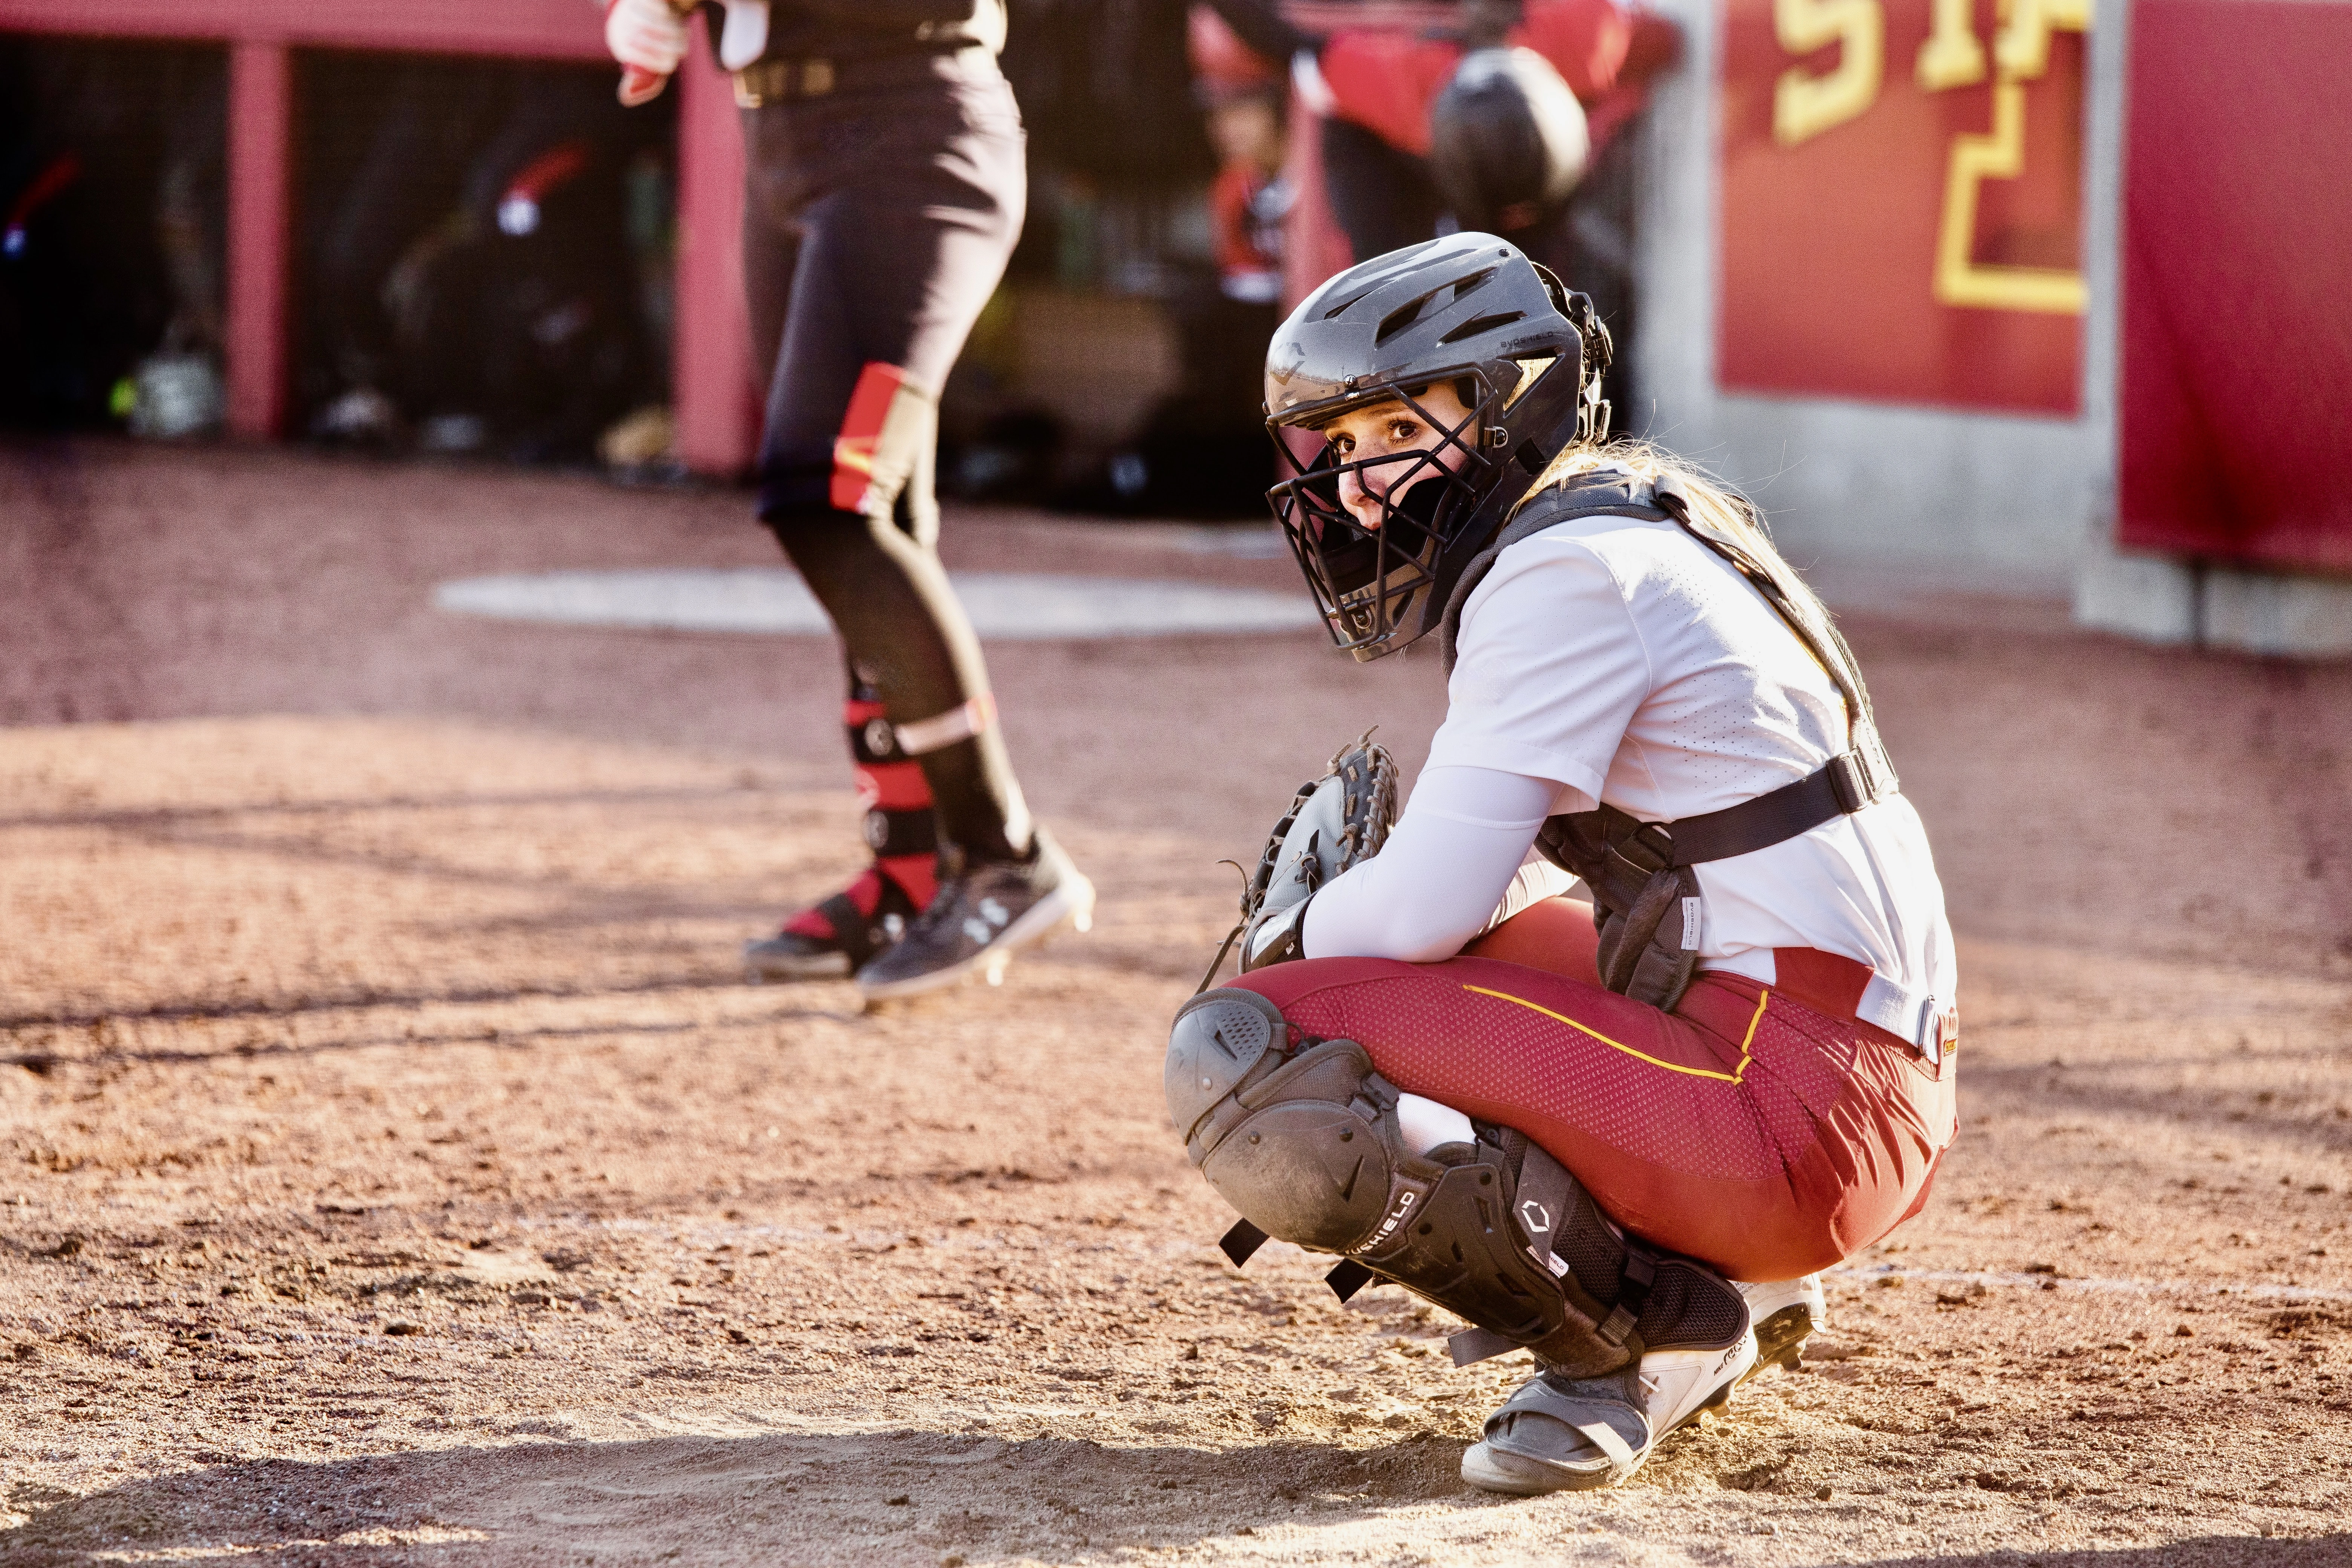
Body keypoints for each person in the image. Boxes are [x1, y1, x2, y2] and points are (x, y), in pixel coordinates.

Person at [1166, 234, 1957, 1493]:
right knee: (1444, 956)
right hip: (1832, 1065)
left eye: (1390, 431)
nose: (1361, 488)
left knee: (1249, 1048)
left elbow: (1420, 908)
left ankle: (1642, 1332)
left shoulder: (1564, 569)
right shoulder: (1634, 521)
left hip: (1799, 1107)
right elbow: (1493, 899)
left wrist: (1294, 937)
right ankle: (1727, 1280)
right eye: (1344, 447)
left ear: (1507, 405)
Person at [604, 0, 1092, 1001]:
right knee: (879, 511)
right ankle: (911, 870)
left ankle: (1003, 852)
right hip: (787, 138)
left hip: (908, 134)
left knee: (822, 497)